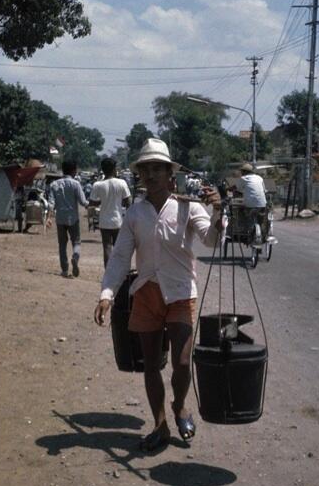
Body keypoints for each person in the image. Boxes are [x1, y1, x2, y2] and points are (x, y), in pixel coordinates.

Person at [93, 138, 222, 452]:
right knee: (151, 365)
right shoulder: (136, 214)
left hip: (180, 293)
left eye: (157, 169)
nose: (150, 175)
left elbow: (211, 240)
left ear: (169, 173)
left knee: (181, 362)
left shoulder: (189, 206)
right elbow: (122, 257)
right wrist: (107, 293)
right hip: (147, 294)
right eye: (145, 170)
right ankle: (161, 424)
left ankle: (180, 405)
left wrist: (218, 210)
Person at [48, 160, 89, 277]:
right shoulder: (76, 184)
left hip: (60, 218)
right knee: (76, 241)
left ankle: (65, 269)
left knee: (62, 244)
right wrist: (91, 204)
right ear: (73, 170)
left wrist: (49, 217)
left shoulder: (54, 184)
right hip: (73, 218)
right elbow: (83, 202)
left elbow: (51, 203)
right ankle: (75, 256)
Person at [89, 157, 132, 267]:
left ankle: (108, 273)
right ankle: (119, 273)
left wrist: (100, 202)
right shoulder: (122, 183)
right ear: (114, 169)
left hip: (104, 221)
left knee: (107, 247)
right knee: (118, 248)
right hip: (118, 221)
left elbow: (93, 203)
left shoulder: (98, 185)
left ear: (102, 170)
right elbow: (128, 202)